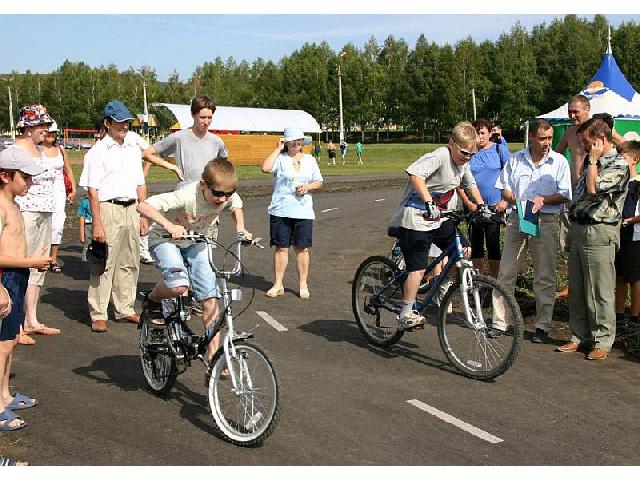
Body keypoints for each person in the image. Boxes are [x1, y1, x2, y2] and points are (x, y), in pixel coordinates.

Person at [137, 157, 250, 370]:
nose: (222, 199)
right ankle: (152, 300)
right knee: (179, 284)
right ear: (202, 185)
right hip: (166, 239)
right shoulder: (188, 195)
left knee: (210, 296)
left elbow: (237, 206)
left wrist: (241, 228)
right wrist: (169, 225)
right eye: (217, 193)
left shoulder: (227, 196)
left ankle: (213, 355)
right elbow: (143, 206)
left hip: (198, 242)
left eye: (228, 193)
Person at [388, 121, 486, 328]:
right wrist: (428, 201)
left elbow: (471, 185)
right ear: (451, 143)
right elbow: (416, 175)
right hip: (416, 218)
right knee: (418, 268)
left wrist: (483, 206)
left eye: (472, 154)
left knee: (465, 250)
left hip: (439, 218)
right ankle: (406, 313)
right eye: (464, 152)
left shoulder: (464, 163)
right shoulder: (440, 155)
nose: (467, 157)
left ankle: (441, 283)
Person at [492, 119, 572, 343]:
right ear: (532, 138)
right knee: (506, 271)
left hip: (546, 219)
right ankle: (500, 322)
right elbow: (504, 188)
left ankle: (542, 326)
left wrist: (543, 199)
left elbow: (565, 193)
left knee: (545, 274)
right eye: (543, 138)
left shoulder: (559, 162)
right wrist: (514, 199)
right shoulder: (516, 159)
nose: (547, 143)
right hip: (518, 218)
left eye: (549, 138)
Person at [557, 118, 630, 360]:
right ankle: (579, 336)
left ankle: (602, 340)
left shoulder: (618, 165)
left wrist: (594, 161)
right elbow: (578, 195)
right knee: (578, 288)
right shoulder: (591, 162)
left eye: (586, 141)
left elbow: (593, 189)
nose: (582, 145)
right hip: (580, 230)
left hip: (599, 231)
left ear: (600, 140)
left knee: (600, 289)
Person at [79, 100, 148, 333]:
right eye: (119, 122)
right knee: (104, 262)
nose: (125, 126)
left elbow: (141, 183)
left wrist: (144, 214)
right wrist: (97, 223)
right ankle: (99, 312)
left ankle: (125, 307)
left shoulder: (132, 149)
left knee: (130, 261)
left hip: (132, 208)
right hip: (108, 208)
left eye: (127, 122)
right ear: (107, 123)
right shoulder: (96, 153)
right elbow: (92, 191)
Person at [0, 147, 52, 432]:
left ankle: (5, 394)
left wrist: (32, 261)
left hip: (16, 275)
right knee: (2, 344)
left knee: (9, 341)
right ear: (5, 176)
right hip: (4, 279)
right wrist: (30, 261)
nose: (29, 183)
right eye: (25, 177)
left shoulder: (15, 204)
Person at [12, 105, 61, 345]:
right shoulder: (16, 150)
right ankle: (16, 324)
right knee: (22, 265)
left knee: (38, 267)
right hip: (26, 211)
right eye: (42, 125)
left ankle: (31, 319)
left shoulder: (40, 149)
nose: (46, 130)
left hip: (45, 210)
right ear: (29, 126)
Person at [262, 126, 323, 299]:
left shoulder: (310, 160)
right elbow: (265, 168)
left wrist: (308, 187)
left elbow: (319, 181)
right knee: (281, 248)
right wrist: (277, 149)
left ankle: (303, 284)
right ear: (286, 142)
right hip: (280, 210)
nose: (297, 143)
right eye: (293, 140)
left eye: (299, 140)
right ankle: (278, 283)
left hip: (303, 211)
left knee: (302, 249)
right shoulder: (279, 159)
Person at [458, 119, 510, 278]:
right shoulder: (468, 153)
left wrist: (505, 200)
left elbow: (511, 175)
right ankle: (479, 280)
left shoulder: (499, 149)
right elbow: (459, 181)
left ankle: (495, 281)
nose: (479, 137)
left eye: (483, 133)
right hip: (474, 207)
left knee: (493, 244)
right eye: (476, 133)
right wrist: (467, 202)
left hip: (495, 206)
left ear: (490, 133)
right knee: (476, 244)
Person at [143, 95, 226, 188]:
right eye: (202, 117)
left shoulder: (217, 141)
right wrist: (171, 167)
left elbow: (224, 166)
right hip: (184, 194)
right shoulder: (178, 137)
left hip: (208, 196)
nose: (206, 122)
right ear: (193, 114)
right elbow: (147, 154)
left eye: (209, 117)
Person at [42, 121, 76, 273]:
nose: (51, 135)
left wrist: (73, 189)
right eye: (48, 132)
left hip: (58, 191)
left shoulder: (60, 150)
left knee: (57, 225)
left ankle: (53, 259)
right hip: (39, 192)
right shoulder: (36, 149)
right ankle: (39, 257)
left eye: (54, 132)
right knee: (41, 224)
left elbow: (68, 170)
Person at [614, 141, 640, 336]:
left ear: (634, 160)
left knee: (635, 278)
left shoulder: (637, 183)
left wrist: (629, 221)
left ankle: (635, 316)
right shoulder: (619, 183)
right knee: (620, 276)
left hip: (634, 236)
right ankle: (619, 313)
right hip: (619, 235)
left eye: (623, 158)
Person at [76, 196, 93, 262]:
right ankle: (85, 259)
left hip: (101, 224)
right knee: (88, 242)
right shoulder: (85, 202)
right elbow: (81, 217)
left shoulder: (102, 200)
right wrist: (82, 234)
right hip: (89, 224)